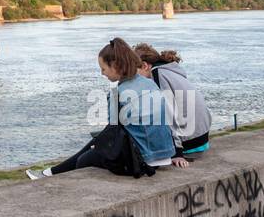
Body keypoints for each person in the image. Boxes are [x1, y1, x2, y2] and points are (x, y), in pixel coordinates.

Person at [26, 38, 187, 180]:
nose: (102, 73)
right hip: (163, 154)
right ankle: (50, 173)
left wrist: (99, 145)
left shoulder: (118, 93)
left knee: (85, 159)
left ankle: (50, 173)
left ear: (116, 66)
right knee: (95, 143)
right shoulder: (150, 83)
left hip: (142, 160)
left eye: (103, 68)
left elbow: (113, 131)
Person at [135, 44, 213, 157]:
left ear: (144, 65)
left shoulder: (157, 75)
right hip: (201, 138)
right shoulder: (169, 70)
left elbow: (168, 113)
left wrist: (177, 152)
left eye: (134, 70)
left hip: (189, 144)